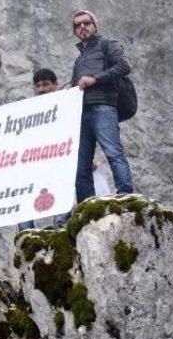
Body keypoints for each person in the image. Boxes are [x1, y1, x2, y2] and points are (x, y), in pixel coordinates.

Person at [17, 69, 111, 231]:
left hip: (60, 159)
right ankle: (26, 233)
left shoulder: (68, 105)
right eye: (37, 86)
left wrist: (86, 157)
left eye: (46, 84)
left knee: (61, 187)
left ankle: (59, 225)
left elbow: (78, 132)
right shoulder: (28, 112)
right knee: (23, 192)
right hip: (34, 161)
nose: (41, 89)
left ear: (55, 85)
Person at [70, 10, 134, 202]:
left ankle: (126, 196)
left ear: (94, 26)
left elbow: (124, 66)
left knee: (113, 153)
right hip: (82, 114)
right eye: (77, 25)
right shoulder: (79, 59)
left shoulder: (108, 44)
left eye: (86, 23)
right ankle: (86, 203)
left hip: (103, 108)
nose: (82, 27)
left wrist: (94, 79)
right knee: (81, 163)